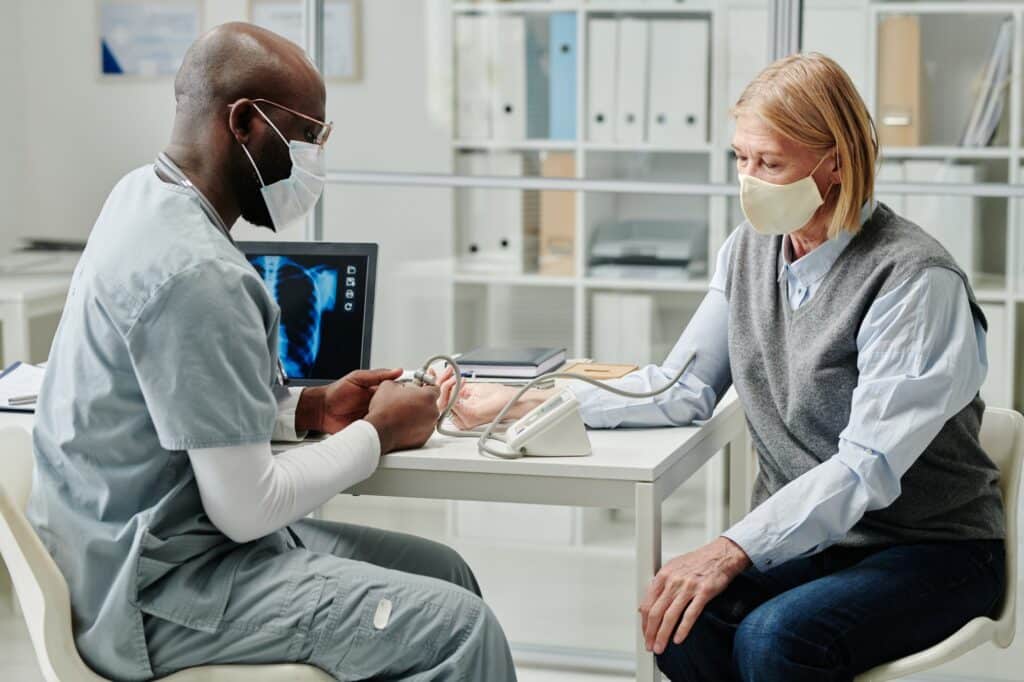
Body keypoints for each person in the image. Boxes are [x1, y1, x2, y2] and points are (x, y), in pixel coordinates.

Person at [439, 53, 1006, 681]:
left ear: (836, 162)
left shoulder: (914, 279)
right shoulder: (748, 251)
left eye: (770, 163)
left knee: (774, 640)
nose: (748, 181)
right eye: (741, 158)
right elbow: (679, 388)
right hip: (815, 539)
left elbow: (863, 468)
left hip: (930, 549)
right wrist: (519, 403)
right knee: (676, 622)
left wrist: (733, 546)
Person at [27, 23, 515, 682]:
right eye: (309, 135)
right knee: (459, 629)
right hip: (159, 594)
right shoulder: (198, 272)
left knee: (445, 572)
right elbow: (248, 506)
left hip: (125, 550)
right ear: (246, 123)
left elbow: (178, 399)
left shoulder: (140, 197)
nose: (313, 158)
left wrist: (310, 409)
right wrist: (381, 431)